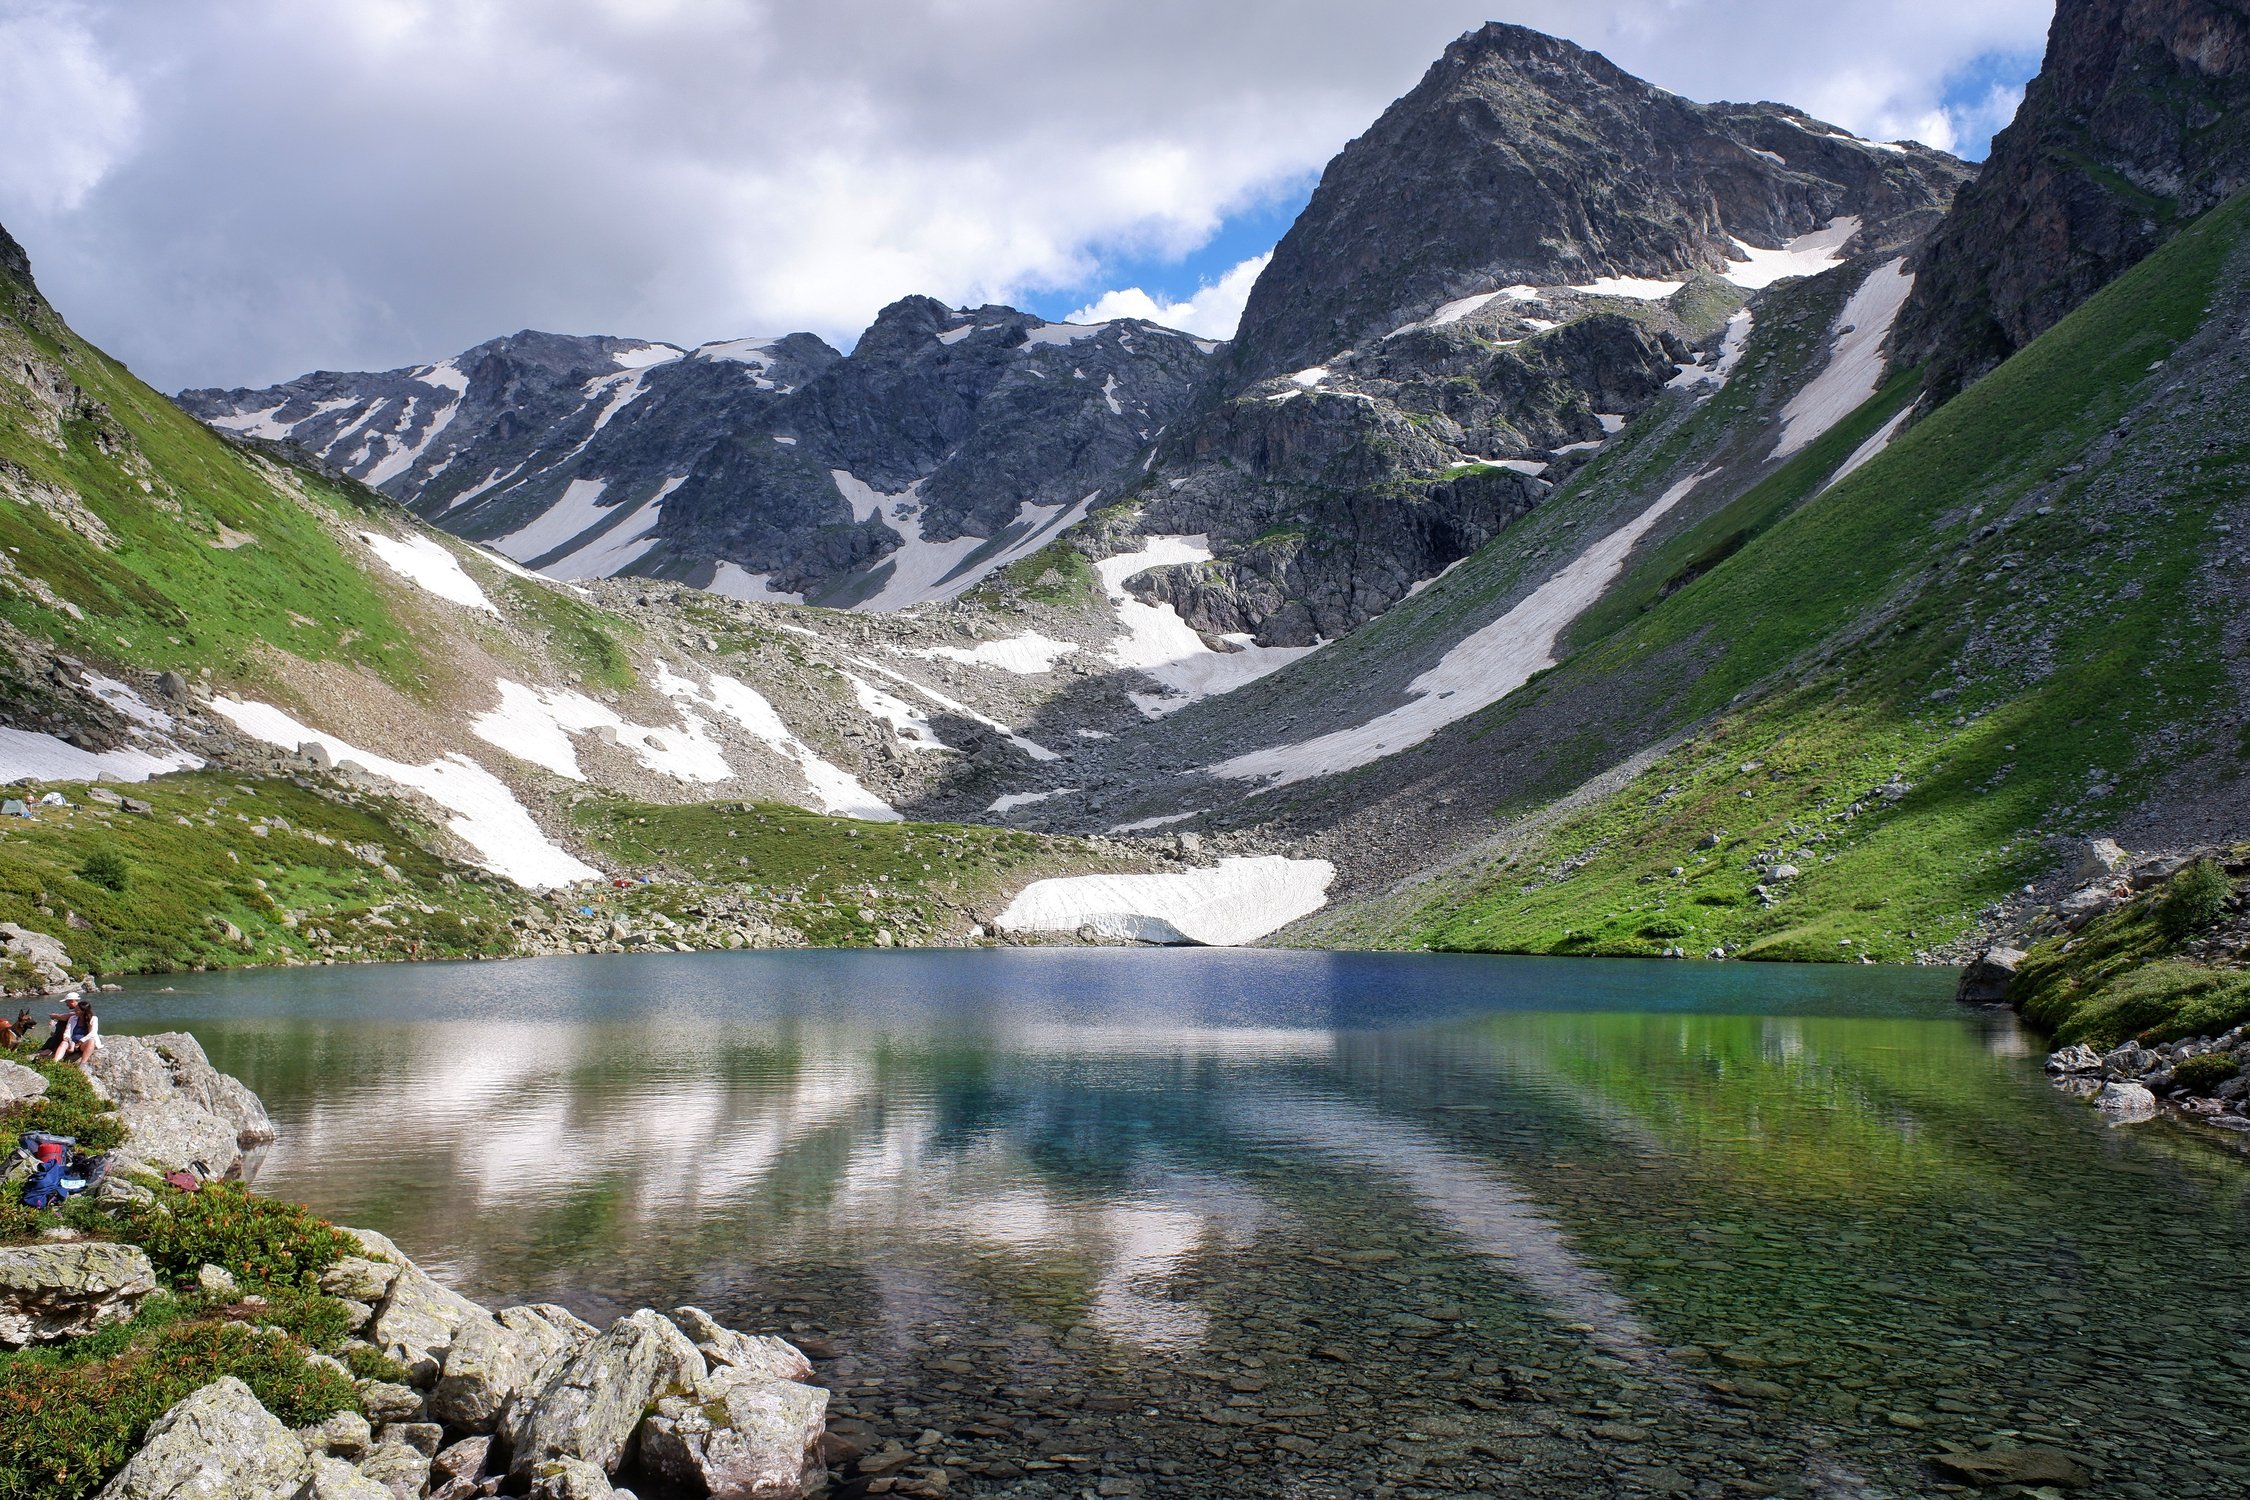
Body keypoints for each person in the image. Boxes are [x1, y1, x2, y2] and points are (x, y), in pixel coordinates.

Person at [53, 997, 98, 1067]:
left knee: (92, 1041)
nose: (75, 1011)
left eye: (77, 1010)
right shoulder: (72, 1018)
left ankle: (82, 1064)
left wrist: (81, 1041)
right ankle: (55, 1062)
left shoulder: (93, 1019)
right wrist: (68, 1040)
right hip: (72, 1042)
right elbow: (67, 1031)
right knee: (64, 1043)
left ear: (83, 1011)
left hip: (83, 1043)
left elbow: (93, 1033)